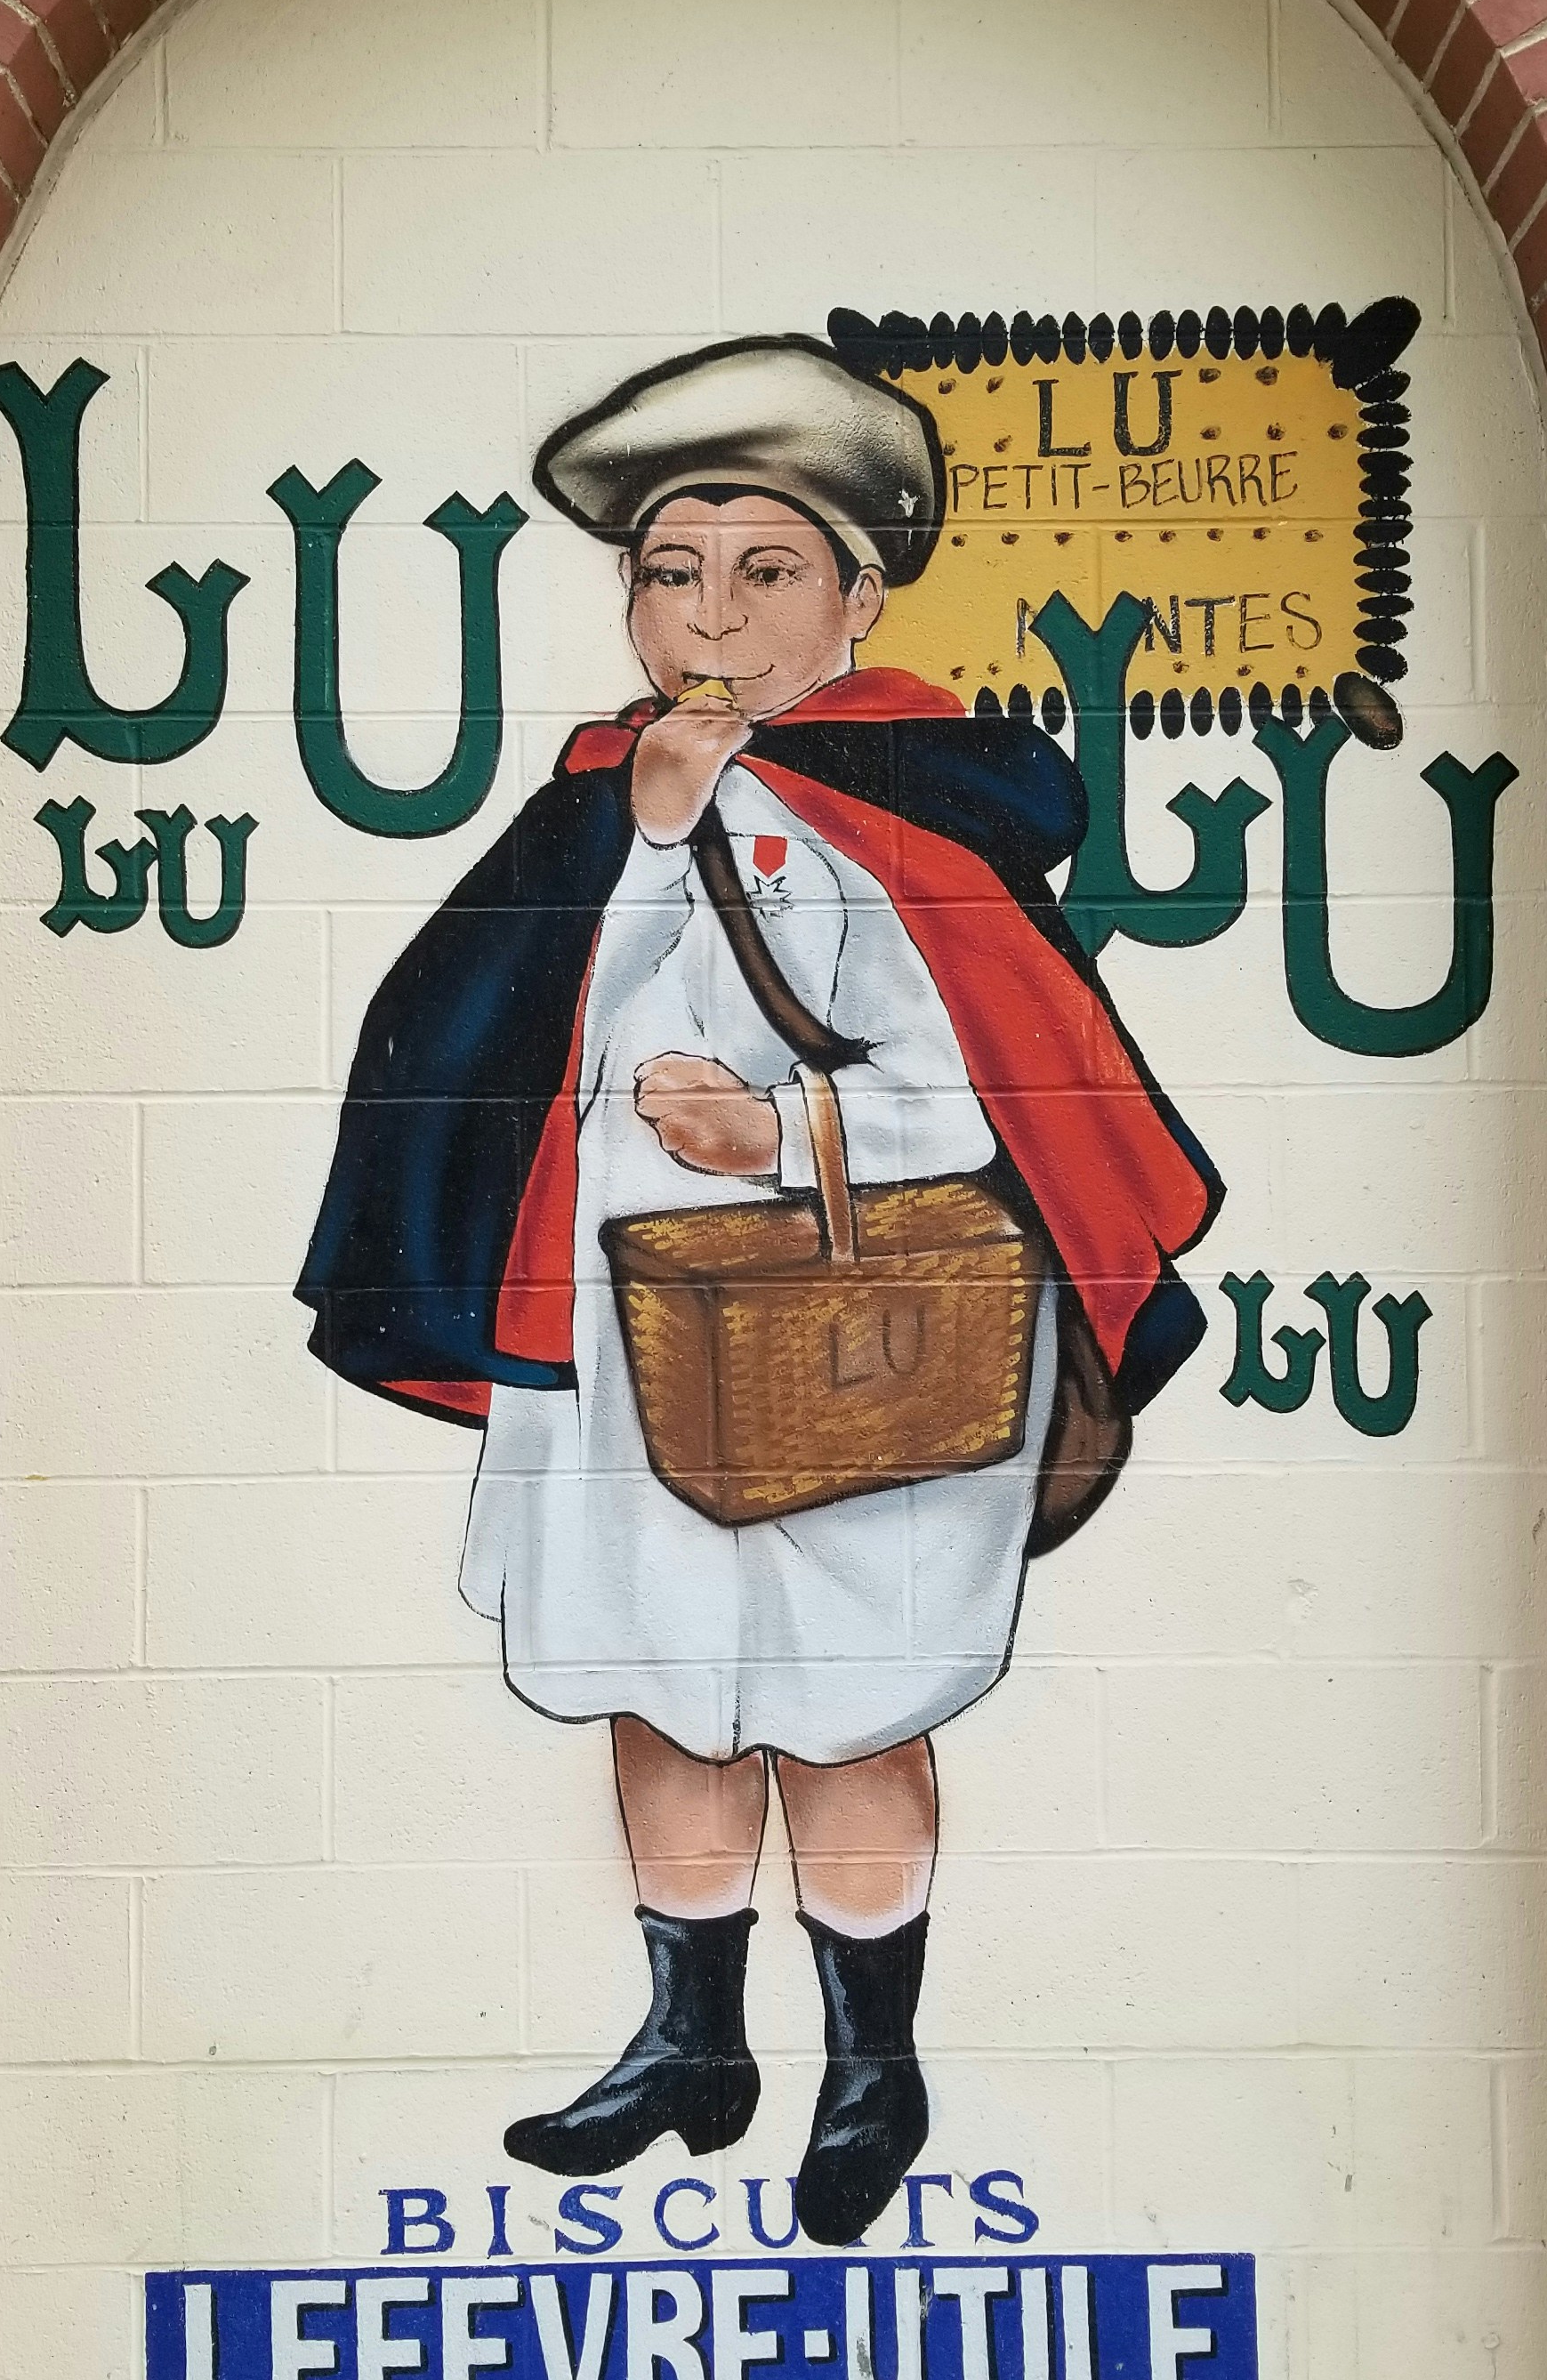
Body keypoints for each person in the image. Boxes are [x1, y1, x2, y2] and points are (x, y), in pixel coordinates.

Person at [296, 337, 1218, 2242]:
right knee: (661, 1693)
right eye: (668, 569)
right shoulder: (599, 796)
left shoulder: (912, 804)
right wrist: (637, 837)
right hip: (633, 1343)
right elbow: (482, 1042)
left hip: (865, 1341)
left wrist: (785, 1132)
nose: (705, 611)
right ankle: (688, 2042)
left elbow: (989, 1093)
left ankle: (871, 2068)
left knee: (845, 1709)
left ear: (859, 597)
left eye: (762, 569)